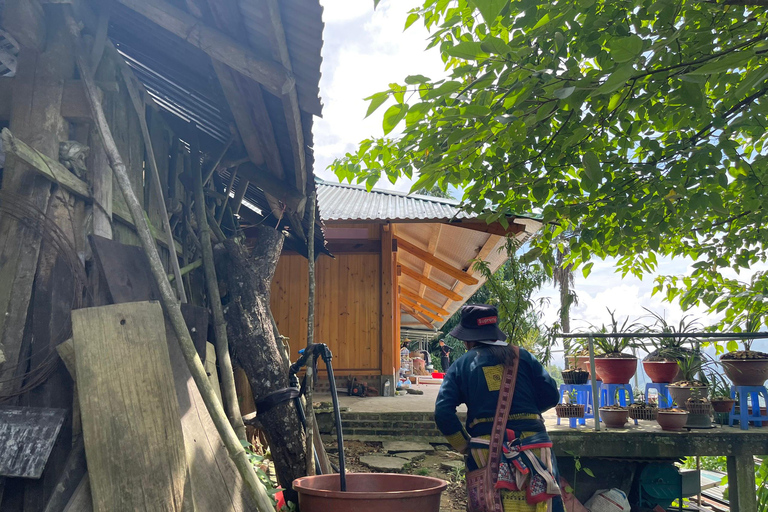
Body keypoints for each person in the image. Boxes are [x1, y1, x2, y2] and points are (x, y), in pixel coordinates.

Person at [435, 304, 564, 511]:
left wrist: (464, 445)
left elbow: (443, 412)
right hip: (535, 447)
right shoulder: (525, 357)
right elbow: (551, 395)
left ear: (468, 340)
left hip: (486, 451)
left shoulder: (461, 365)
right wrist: (523, 412)